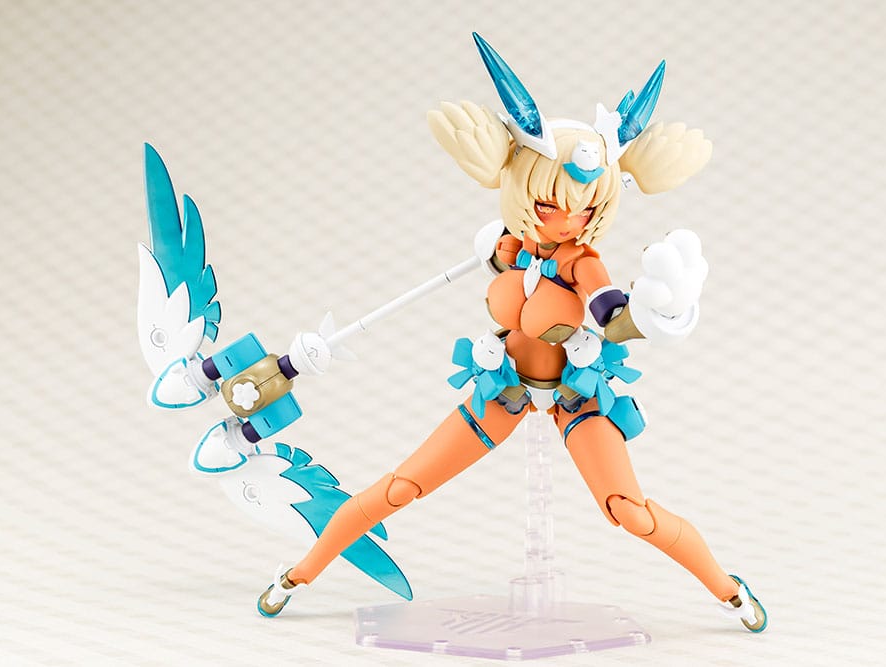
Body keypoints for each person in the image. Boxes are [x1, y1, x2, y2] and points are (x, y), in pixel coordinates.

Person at [258, 33, 766, 633]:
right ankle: (298, 574)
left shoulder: (582, 262)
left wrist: (661, 309)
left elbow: (613, 317)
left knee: (629, 511)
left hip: (577, 396)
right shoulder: (508, 246)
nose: (569, 220)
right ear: (525, 191)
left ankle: (729, 590)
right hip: (503, 389)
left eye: (584, 209)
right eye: (552, 205)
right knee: (401, 486)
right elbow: (498, 260)